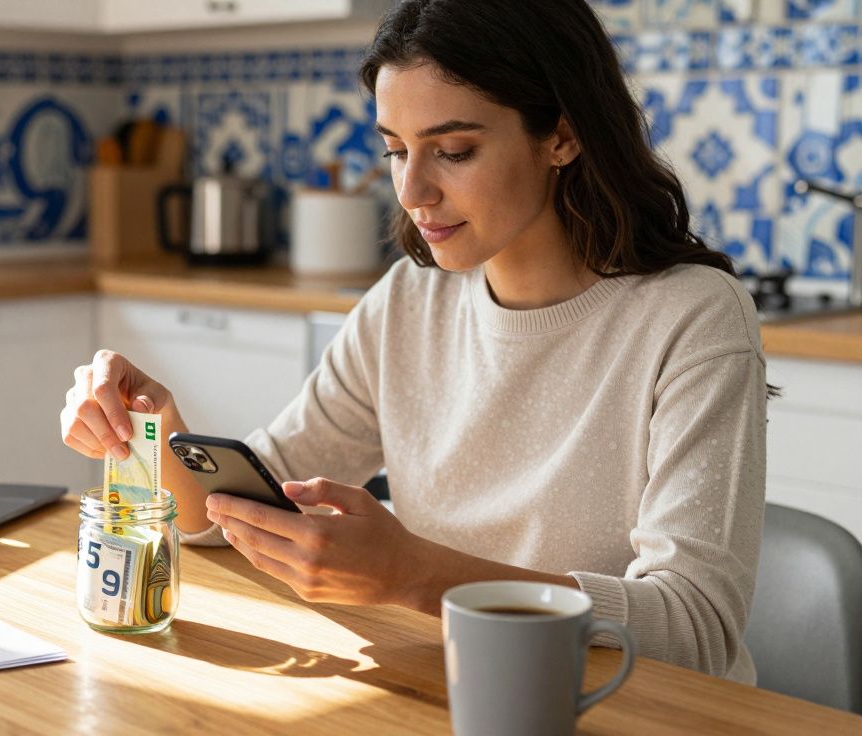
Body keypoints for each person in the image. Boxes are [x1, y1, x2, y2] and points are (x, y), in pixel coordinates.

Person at [60, 0, 767, 683]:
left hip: (633, 708)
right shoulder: (407, 302)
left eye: (453, 150)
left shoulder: (692, 317)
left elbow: (695, 629)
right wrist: (156, 431)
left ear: (562, 135)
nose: (413, 190)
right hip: (455, 688)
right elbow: (242, 510)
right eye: (396, 150)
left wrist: (415, 574)